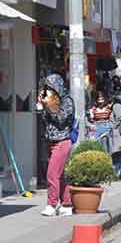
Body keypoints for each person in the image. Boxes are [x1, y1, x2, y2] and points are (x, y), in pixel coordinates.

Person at [37, 74, 74, 217]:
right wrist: (42, 106)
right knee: (61, 176)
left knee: (52, 174)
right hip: (51, 142)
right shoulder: (52, 102)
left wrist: (48, 106)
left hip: (63, 141)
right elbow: (46, 121)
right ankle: (66, 204)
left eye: (50, 88)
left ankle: (52, 205)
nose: (48, 91)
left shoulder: (67, 101)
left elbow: (60, 119)